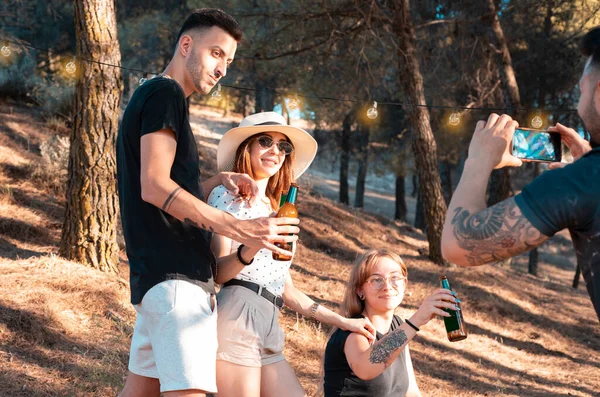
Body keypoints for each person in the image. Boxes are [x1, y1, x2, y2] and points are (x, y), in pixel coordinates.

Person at [116, 10, 300, 397]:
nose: (222, 70)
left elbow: (166, 188)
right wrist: (240, 228)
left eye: (228, 61)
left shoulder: (153, 95)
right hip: (178, 285)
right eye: (216, 53)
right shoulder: (166, 93)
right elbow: (153, 187)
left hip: (158, 283)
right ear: (186, 45)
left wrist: (217, 180)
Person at [207, 111, 378, 397]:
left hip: (270, 320)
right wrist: (256, 241)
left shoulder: (273, 208)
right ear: (246, 148)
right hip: (237, 313)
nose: (275, 150)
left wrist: (344, 322)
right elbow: (217, 273)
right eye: (265, 141)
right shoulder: (226, 197)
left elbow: (288, 291)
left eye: (283, 146)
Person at [441, 27, 600, 322]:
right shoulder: (586, 178)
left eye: (583, 90)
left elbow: (457, 245)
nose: (579, 103)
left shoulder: (581, 182)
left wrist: (478, 161)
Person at [322, 249, 459, 397]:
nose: (387, 286)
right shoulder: (354, 331)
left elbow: (411, 391)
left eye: (395, 277)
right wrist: (416, 320)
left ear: (404, 283)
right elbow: (366, 368)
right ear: (360, 290)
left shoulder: (398, 325)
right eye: (376, 280)